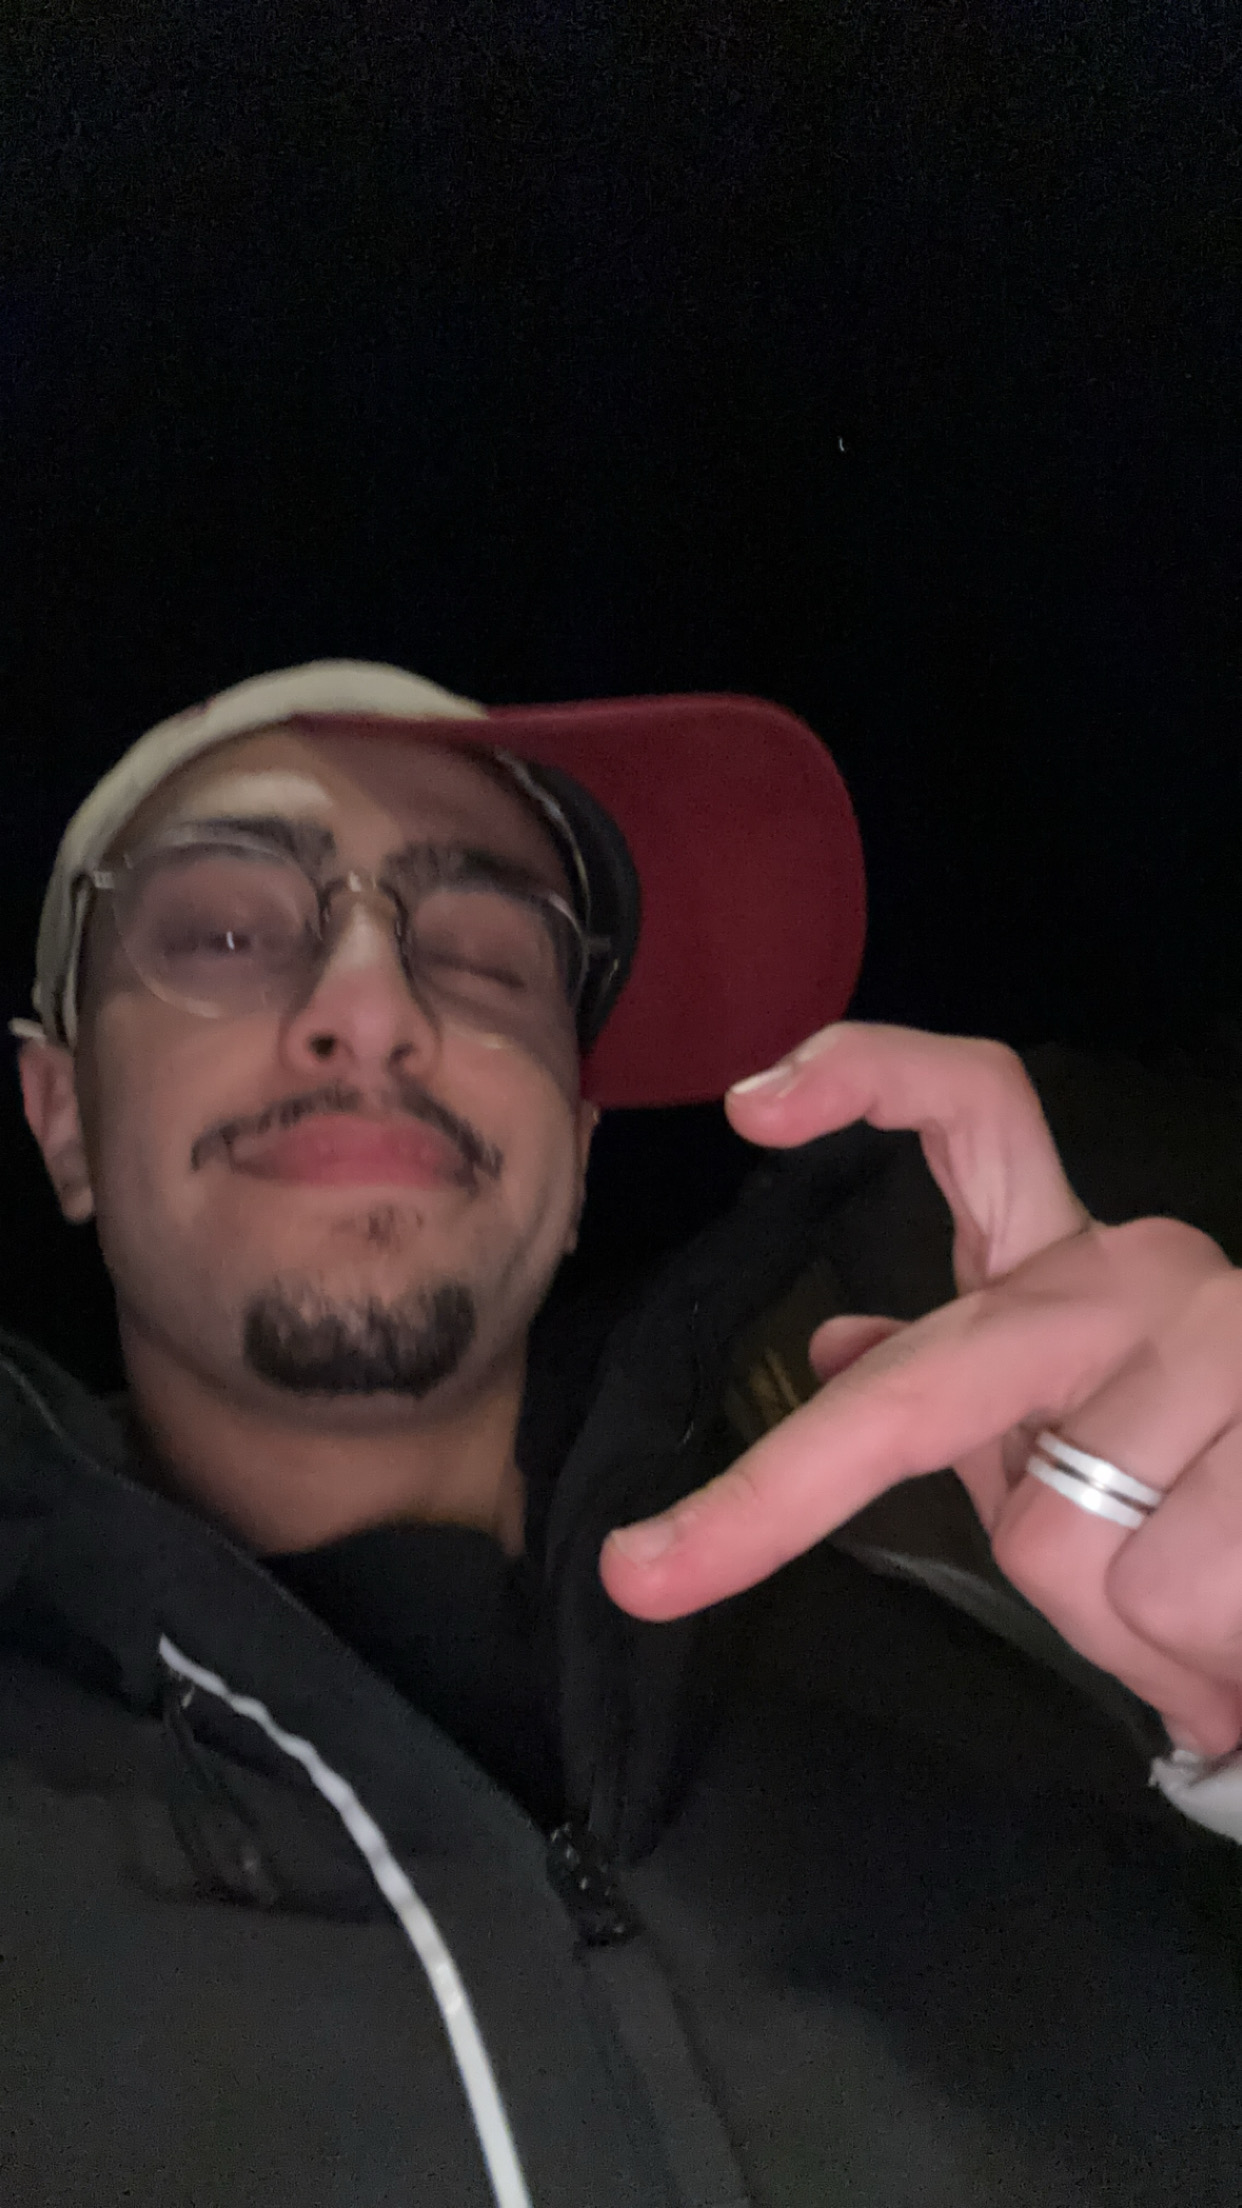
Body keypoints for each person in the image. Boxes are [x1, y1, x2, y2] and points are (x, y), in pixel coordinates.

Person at [3, 659, 1241, 2208]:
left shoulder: (1040, 1695)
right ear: (61, 1115)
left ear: (576, 1153)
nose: (372, 1010)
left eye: (483, 947)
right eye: (228, 931)